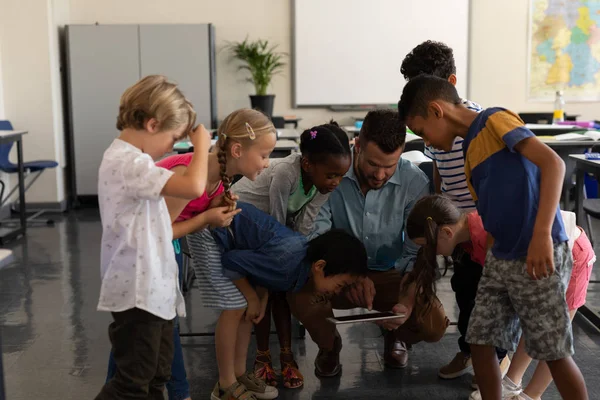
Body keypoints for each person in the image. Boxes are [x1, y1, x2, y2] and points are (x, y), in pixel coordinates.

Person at [398, 75, 588, 400]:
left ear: (436, 111)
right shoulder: (469, 149)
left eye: (421, 132)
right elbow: (490, 213)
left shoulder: (494, 120)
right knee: (480, 340)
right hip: (501, 256)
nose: (426, 143)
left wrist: (543, 235)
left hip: (535, 250)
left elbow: (553, 164)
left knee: (553, 351)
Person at [288, 109, 449, 378]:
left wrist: (407, 301)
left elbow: (416, 250)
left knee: (433, 324)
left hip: (392, 274)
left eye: (391, 165)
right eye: (373, 164)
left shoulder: (414, 182)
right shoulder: (331, 173)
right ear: (358, 146)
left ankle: (396, 334)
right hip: (338, 273)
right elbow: (317, 236)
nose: (380, 174)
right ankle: (329, 346)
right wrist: (352, 275)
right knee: (299, 293)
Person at [94, 75, 212, 400]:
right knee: (132, 383)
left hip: (153, 289)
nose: (173, 148)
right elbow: (193, 187)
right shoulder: (127, 163)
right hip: (137, 292)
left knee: (156, 376)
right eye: (173, 138)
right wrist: (201, 146)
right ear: (151, 124)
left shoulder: (137, 162)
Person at [400, 40, 509, 386]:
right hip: (455, 227)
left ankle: (497, 358)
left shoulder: (472, 125)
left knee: (489, 293)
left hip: (484, 227)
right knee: (464, 290)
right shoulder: (434, 131)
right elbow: (439, 168)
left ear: (449, 83)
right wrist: (438, 200)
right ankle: (470, 349)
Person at [188, 203, 369, 400]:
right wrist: (251, 297)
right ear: (320, 266)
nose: (337, 291)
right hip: (211, 230)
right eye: (340, 285)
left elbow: (261, 272)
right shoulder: (286, 262)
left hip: (230, 237)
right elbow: (232, 260)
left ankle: (239, 375)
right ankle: (225, 385)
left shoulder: (299, 265)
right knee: (235, 306)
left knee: (248, 310)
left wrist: (260, 300)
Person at [232, 121, 352, 389]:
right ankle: (262, 357)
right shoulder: (286, 173)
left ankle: (286, 355)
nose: (336, 182)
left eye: (341, 176)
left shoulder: (323, 185)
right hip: (243, 225)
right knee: (266, 286)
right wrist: (287, 255)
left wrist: (297, 254)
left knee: (283, 287)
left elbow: (305, 226)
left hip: (275, 233)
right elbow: (273, 225)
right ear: (308, 165)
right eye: (332, 175)